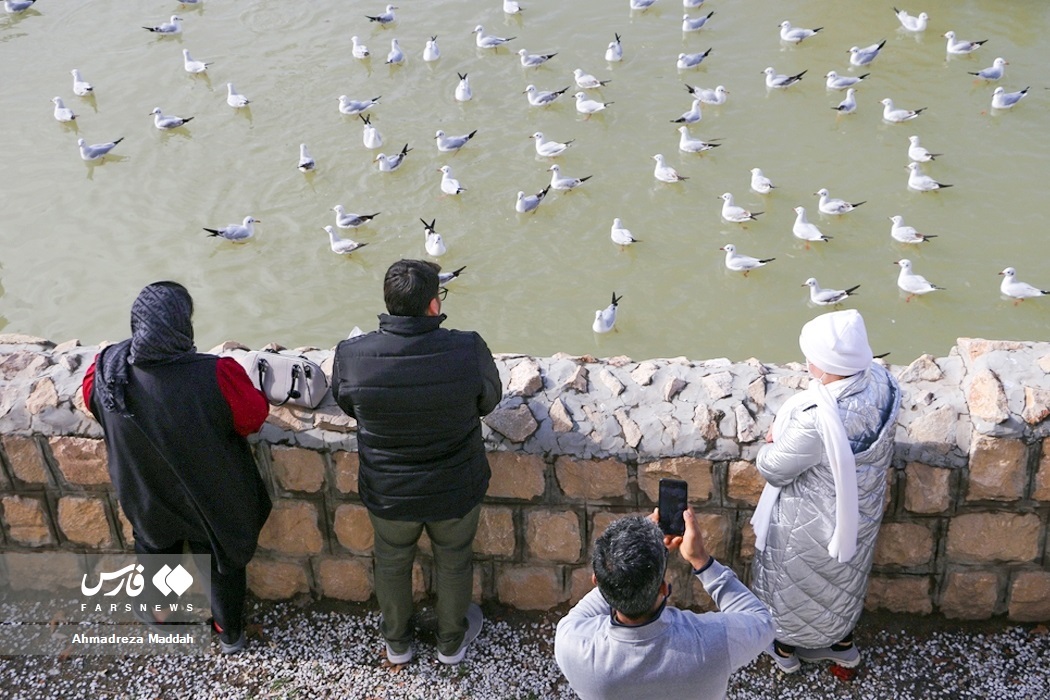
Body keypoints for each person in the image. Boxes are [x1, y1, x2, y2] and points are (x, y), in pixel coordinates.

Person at [82, 281, 271, 654]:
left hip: (145, 491)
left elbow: (91, 401)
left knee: (155, 548)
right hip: (208, 495)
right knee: (220, 559)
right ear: (183, 325)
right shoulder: (217, 374)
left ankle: (160, 619)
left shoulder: (107, 369)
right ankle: (228, 631)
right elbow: (253, 417)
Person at [330, 259, 502, 666]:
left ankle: (398, 644)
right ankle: (450, 644)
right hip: (455, 486)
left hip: (390, 492)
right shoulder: (467, 347)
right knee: (454, 560)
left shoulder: (353, 355)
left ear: (389, 304)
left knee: (392, 563)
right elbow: (489, 401)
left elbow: (346, 403)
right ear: (432, 304)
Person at [750, 309, 901, 672]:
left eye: (811, 356)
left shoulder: (819, 418)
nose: (806, 361)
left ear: (828, 365)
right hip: (859, 511)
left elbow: (772, 466)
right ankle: (841, 644)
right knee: (841, 583)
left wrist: (773, 439)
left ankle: (784, 651)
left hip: (811, 521)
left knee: (794, 586)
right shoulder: (883, 382)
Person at [554, 508, 773, 699]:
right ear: (663, 589)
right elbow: (762, 621)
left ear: (596, 581)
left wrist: (644, 556)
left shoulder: (571, 644)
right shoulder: (713, 640)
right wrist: (701, 561)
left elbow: (609, 586)